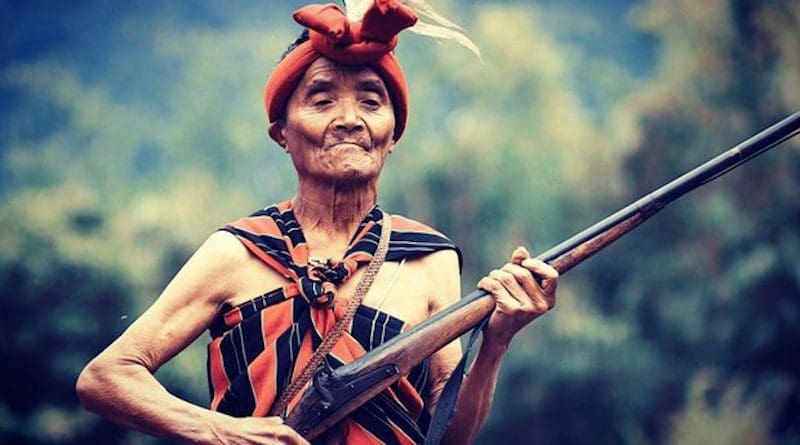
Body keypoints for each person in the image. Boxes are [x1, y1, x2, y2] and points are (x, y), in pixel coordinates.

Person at [76, 2, 559, 444]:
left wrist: (496, 341)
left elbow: (449, 437)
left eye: (371, 101)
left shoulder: (428, 257)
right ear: (282, 133)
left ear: (393, 135)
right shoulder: (238, 251)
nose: (350, 119)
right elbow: (106, 377)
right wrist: (225, 433)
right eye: (322, 100)